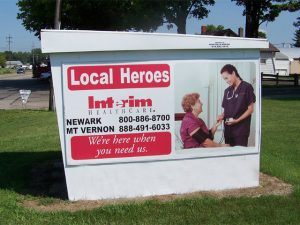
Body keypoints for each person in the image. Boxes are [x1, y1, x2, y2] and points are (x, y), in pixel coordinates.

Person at [218, 64, 256, 147]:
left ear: (233, 73)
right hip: (228, 131)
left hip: (241, 131)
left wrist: (237, 120)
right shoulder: (227, 91)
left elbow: (250, 109)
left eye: (226, 78)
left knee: (240, 157)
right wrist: (221, 116)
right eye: (224, 79)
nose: (226, 81)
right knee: (229, 156)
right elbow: (226, 110)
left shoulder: (247, 87)